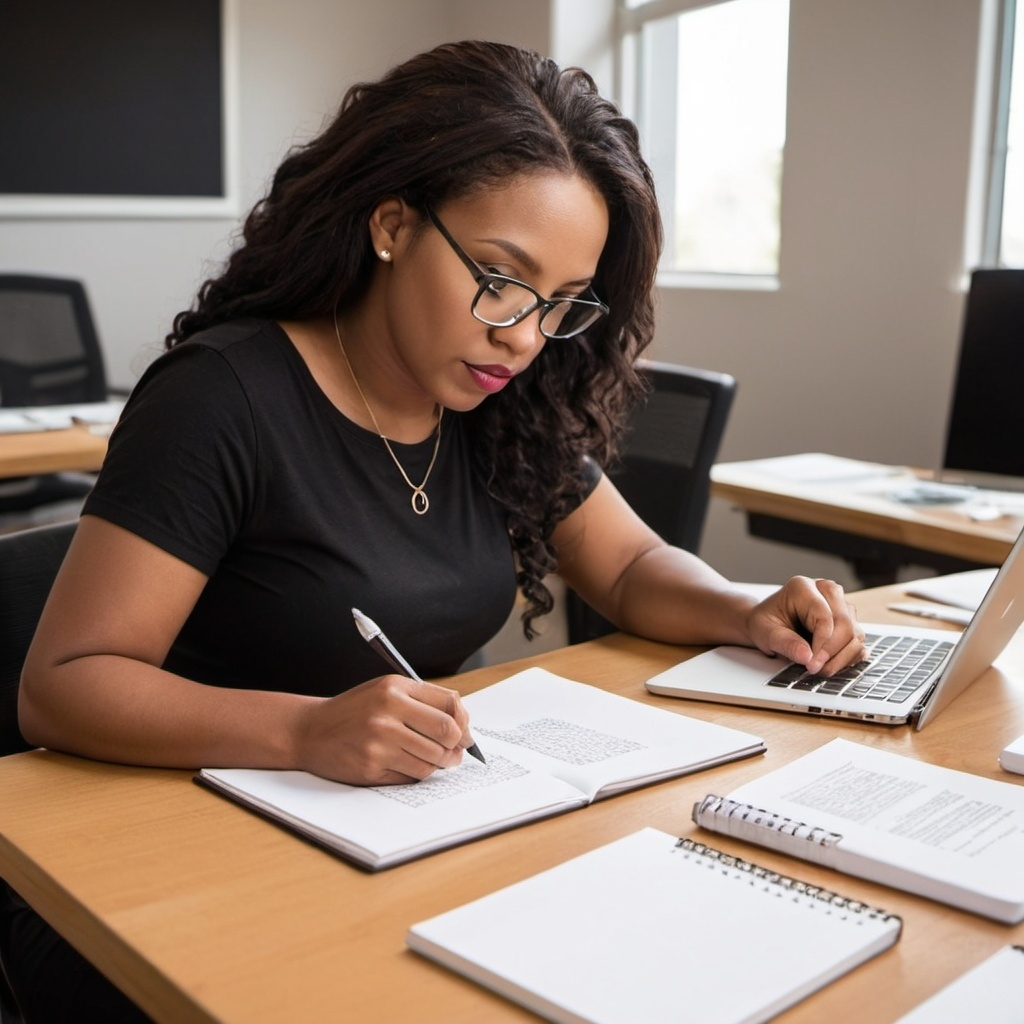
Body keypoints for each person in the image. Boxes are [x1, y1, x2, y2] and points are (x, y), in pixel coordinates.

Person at [4, 40, 864, 1021]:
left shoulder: (498, 399)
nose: (523, 336)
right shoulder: (223, 397)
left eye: (561, 305)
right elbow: (62, 687)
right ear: (390, 225)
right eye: (499, 279)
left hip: (402, 833)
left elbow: (624, 563)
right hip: (160, 863)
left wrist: (742, 607)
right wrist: (301, 728)